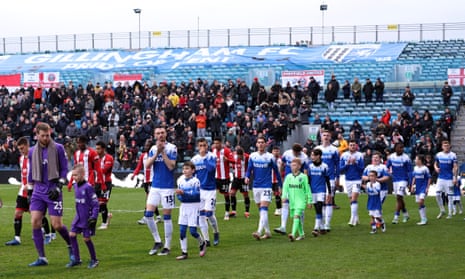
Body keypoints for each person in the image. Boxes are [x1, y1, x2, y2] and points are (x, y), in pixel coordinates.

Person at [27, 122, 71, 267]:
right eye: (43, 136)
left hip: (53, 190)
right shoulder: (32, 151)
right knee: (35, 222)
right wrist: (29, 190)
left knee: (57, 225)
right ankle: (42, 257)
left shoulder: (58, 148)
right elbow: (31, 171)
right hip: (38, 191)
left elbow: (64, 169)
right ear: (37, 135)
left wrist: (59, 186)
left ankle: (72, 246)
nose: (46, 138)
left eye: (48, 135)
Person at [5, 137, 54, 246]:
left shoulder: (36, 158)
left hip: (35, 190)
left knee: (37, 215)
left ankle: (47, 235)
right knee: (18, 213)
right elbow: (23, 174)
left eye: (22, 148)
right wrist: (23, 185)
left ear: (27, 146)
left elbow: (41, 174)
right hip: (23, 190)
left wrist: (33, 184)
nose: (21, 151)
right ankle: (17, 238)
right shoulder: (21, 158)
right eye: (19, 149)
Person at [145, 126, 177, 256]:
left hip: (167, 187)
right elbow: (147, 165)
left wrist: (163, 152)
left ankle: (167, 246)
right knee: (148, 215)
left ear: (166, 134)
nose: (160, 135)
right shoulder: (153, 149)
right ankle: (157, 240)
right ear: (154, 135)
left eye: (162, 133)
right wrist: (157, 152)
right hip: (155, 186)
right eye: (158, 133)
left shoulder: (172, 148)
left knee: (167, 217)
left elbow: (171, 166)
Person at [246, 136, 282, 240]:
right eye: (259, 142)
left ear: (266, 144)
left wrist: (280, 185)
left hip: (266, 186)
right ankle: (267, 232)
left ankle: (259, 231)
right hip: (256, 186)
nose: (261, 144)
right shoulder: (252, 156)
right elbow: (249, 169)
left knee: (263, 209)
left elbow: (276, 172)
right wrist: (247, 177)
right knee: (261, 211)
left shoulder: (270, 157)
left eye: (262, 142)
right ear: (256, 144)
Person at [66, 164, 100, 268]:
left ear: (82, 175)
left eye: (76, 175)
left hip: (87, 217)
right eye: (73, 175)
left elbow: (95, 204)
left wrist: (93, 217)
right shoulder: (75, 186)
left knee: (86, 239)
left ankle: (94, 260)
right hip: (78, 216)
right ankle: (77, 259)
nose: (74, 177)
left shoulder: (88, 187)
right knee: (71, 235)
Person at [175, 161, 207, 260]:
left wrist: (184, 194)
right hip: (184, 207)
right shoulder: (180, 180)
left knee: (193, 231)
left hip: (193, 207)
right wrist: (181, 197)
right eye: (184, 168)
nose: (185, 170)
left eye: (187, 168)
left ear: (193, 170)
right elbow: (179, 196)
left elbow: (196, 196)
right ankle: (184, 252)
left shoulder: (195, 181)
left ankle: (202, 242)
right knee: (182, 231)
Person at [191, 138, 220, 246]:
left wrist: (204, 158)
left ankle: (216, 232)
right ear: (198, 147)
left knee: (209, 213)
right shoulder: (194, 159)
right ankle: (206, 240)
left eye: (204, 145)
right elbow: (193, 175)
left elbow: (211, 169)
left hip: (210, 189)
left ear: (207, 146)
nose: (202, 147)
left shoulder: (211, 156)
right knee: (202, 215)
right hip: (200, 190)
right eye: (200, 145)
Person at [274, 143, 308, 235]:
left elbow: (305, 171)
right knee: (285, 202)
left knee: (299, 206)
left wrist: (305, 184)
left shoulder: (304, 157)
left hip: (298, 184)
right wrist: (281, 177)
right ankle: (283, 227)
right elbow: (282, 165)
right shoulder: (287, 154)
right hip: (288, 181)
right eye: (295, 152)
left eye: (298, 153)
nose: (296, 154)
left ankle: (300, 227)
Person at [131, 139, 161, 225]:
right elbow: (139, 166)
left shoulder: (155, 156)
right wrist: (134, 174)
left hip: (153, 180)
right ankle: (158, 216)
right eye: (145, 145)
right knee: (151, 199)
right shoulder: (143, 156)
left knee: (149, 199)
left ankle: (146, 217)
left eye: (147, 145)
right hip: (146, 181)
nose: (145, 147)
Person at [282, 158, 312, 241]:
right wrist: (284, 197)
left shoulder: (303, 177)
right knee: (296, 218)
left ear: (299, 166)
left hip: (301, 201)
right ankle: (302, 234)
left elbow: (307, 189)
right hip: (292, 201)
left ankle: (292, 234)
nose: (292, 167)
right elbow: (285, 188)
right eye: (291, 165)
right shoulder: (288, 177)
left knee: (296, 216)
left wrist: (309, 201)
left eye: (294, 165)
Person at [316, 129, 340, 232]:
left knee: (328, 200)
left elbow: (337, 165)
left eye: (327, 135)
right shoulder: (317, 149)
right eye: (324, 135)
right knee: (319, 201)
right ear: (321, 137)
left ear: (330, 137)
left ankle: (327, 224)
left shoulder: (334, 150)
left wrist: (337, 177)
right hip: (318, 179)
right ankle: (320, 223)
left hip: (330, 178)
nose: (325, 137)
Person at [339, 139, 365, 226]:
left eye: (354, 145)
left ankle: (352, 219)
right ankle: (356, 217)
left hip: (357, 179)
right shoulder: (344, 155)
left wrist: (355, 164)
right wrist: (347, 164)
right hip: (348, 179)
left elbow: (362, 169)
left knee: (354, 198)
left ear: (356, 146)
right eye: (351, 145)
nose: (352, 146)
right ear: (348, 146)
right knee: (351, 199)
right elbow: (341, 169)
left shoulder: (360, 155)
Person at [386, 142, 413, 224]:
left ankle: (396, 217)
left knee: (398, 197)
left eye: (402, 148)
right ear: (395, 148)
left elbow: (410, 171)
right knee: (400, 198)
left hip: (403, 180)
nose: (401, 149)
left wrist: (410, 183)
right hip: (395, 180)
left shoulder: (406, 158)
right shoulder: (391, 157)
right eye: (399, 147)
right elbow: (387, 166)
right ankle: (405, 214)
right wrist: (387, 173)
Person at [307, 148, 331, 236]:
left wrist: (330, 193)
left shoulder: (324, 166)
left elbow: (327, 180)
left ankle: (316, 228)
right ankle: (322, 227)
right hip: (312, 190)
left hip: (321, 190)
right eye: (311, 155)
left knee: (319, 207)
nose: (312, 157)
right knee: (317, 209)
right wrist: (307, 191)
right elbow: (308, 180)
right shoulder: (309, 166)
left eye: (313, 155)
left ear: (319, 156)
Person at [212, 137, 234, 220]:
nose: (216, 145)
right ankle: (211, 213)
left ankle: (227, 213)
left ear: (221, 143)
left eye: (217, 143)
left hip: (225, 177)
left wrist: (227, 159)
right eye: (215, 143)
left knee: (226, 195)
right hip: (216, 177)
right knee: (212, 195)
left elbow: (234, 161)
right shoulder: (213, 151)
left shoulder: (227, 151)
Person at [434, 140, 458, 219]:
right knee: (437, 194)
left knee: (450, 196)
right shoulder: (439, 155)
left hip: (449, 179)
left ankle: (450, 213)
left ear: (449, 146)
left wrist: (455, 177)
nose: (446, 147)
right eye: (444, 146)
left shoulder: (453, 155)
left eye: (447, 146)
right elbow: (435, 163)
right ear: (442, 147)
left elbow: (455, 167)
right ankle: (442, 210)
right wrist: (436, 168)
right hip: (440, 178)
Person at [94, 141, 114, 230]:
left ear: (103, 149)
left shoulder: (109, 158)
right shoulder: (95, 158)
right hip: (96, 183)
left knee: (102, 203)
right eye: (96, 148)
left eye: (98, 149)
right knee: (95, 204)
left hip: (106, 184)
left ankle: (104, 223)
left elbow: (104, 170)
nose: (96, 150)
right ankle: (107, 215)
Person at [229, 146, 251, 218]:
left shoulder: (247, 157)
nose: (239, 157)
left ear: (243, 154)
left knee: (245, 195)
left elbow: (251, 165)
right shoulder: (234, 157)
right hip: (236, 178)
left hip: (243, 179)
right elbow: (230, 160)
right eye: (238, 156)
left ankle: (247, 211)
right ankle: (234, 211)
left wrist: (248, 176)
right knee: (232, 193)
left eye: (240, 156)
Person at [410, 154, 431, 225]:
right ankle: (424, 218)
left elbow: (429, 178)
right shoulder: (415, 168)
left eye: (416, 159)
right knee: (419, 203)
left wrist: (427, 188)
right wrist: (412, 185)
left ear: (420, 160)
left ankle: (424, 219)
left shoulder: (425, 169)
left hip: (423, 187)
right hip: (417, 188)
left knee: (421, 201)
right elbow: (414, 177)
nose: (415, 160)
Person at [271, 146, 283, 217]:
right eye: (274, 151)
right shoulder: (269, 159)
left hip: (277, 180)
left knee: (277, 194)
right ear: (272, 152)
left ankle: (279, 209)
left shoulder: (281, 160)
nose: (276, 152)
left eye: (277, 151)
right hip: (269, 180)